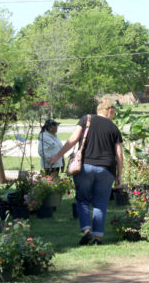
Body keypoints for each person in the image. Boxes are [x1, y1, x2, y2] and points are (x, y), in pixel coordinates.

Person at [49, 97, 123, 245]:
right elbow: (119, 154)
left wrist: (58, 155)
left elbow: (73, 139)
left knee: (82, 200)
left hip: (85, 167)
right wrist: (119, 175)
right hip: (107, 170)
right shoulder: (114, 128)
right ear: (110, 111)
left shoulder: (86, 119)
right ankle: (97, 238)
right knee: (100, 203)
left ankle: (86, 230)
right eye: (113, 113)